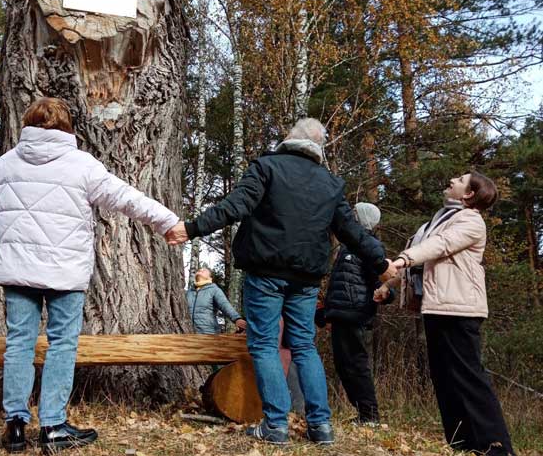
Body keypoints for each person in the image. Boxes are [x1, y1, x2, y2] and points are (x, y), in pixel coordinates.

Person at [0, 97, 180, 454]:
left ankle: (14, 426)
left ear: (27, 124)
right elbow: (127, 198)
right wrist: (168, 221)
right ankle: (54, 426)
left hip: (18, 270)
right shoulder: (82, 165)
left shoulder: (7, 164)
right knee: (62, 345)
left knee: (19, 345)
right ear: (66, 127)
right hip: (65, 271)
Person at [166, 118, 395, 445]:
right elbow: (353, 232)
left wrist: (191, 228)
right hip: (306, 279)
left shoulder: (266, 167)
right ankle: (321, 426)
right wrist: (380, 261)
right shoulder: (330, 184)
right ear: (319, 146)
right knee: (304, 346)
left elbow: (235, 207)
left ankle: (275, 425)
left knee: (263, 345)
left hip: (266, 273)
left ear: (291, 138)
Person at [388, 172, 515, 456]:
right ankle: (464, 445)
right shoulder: (441, 219)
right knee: (444, 379)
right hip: (437, 307)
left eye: (460, 179)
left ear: (469, 194)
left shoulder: (470, 220)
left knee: (469, 378)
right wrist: (388, 284)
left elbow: (438, 246)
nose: (452, 179)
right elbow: (422, 254)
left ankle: (496, 448)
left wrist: (401, 260)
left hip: (460, 309)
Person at [316, 202, 394, 426]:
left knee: (356, 365)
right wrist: (327, 312)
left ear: (361, 220)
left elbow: (381, 280)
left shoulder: (369, 245)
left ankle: (370, 415)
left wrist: (387, 294)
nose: (349, 215)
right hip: (343, 314)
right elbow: (342, 284)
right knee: (344, 365)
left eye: (354, 213)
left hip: (356, 314)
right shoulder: (348, 246)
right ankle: (363, 413)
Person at [186, 268, 246, 334]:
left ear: (210, 278)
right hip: (187, 332)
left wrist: (237, 319)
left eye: (204, 270)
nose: (201, 270)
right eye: (199, 270)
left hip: (208, 333)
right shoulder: (188, 292)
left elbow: (224, 305)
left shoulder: (214, 290)